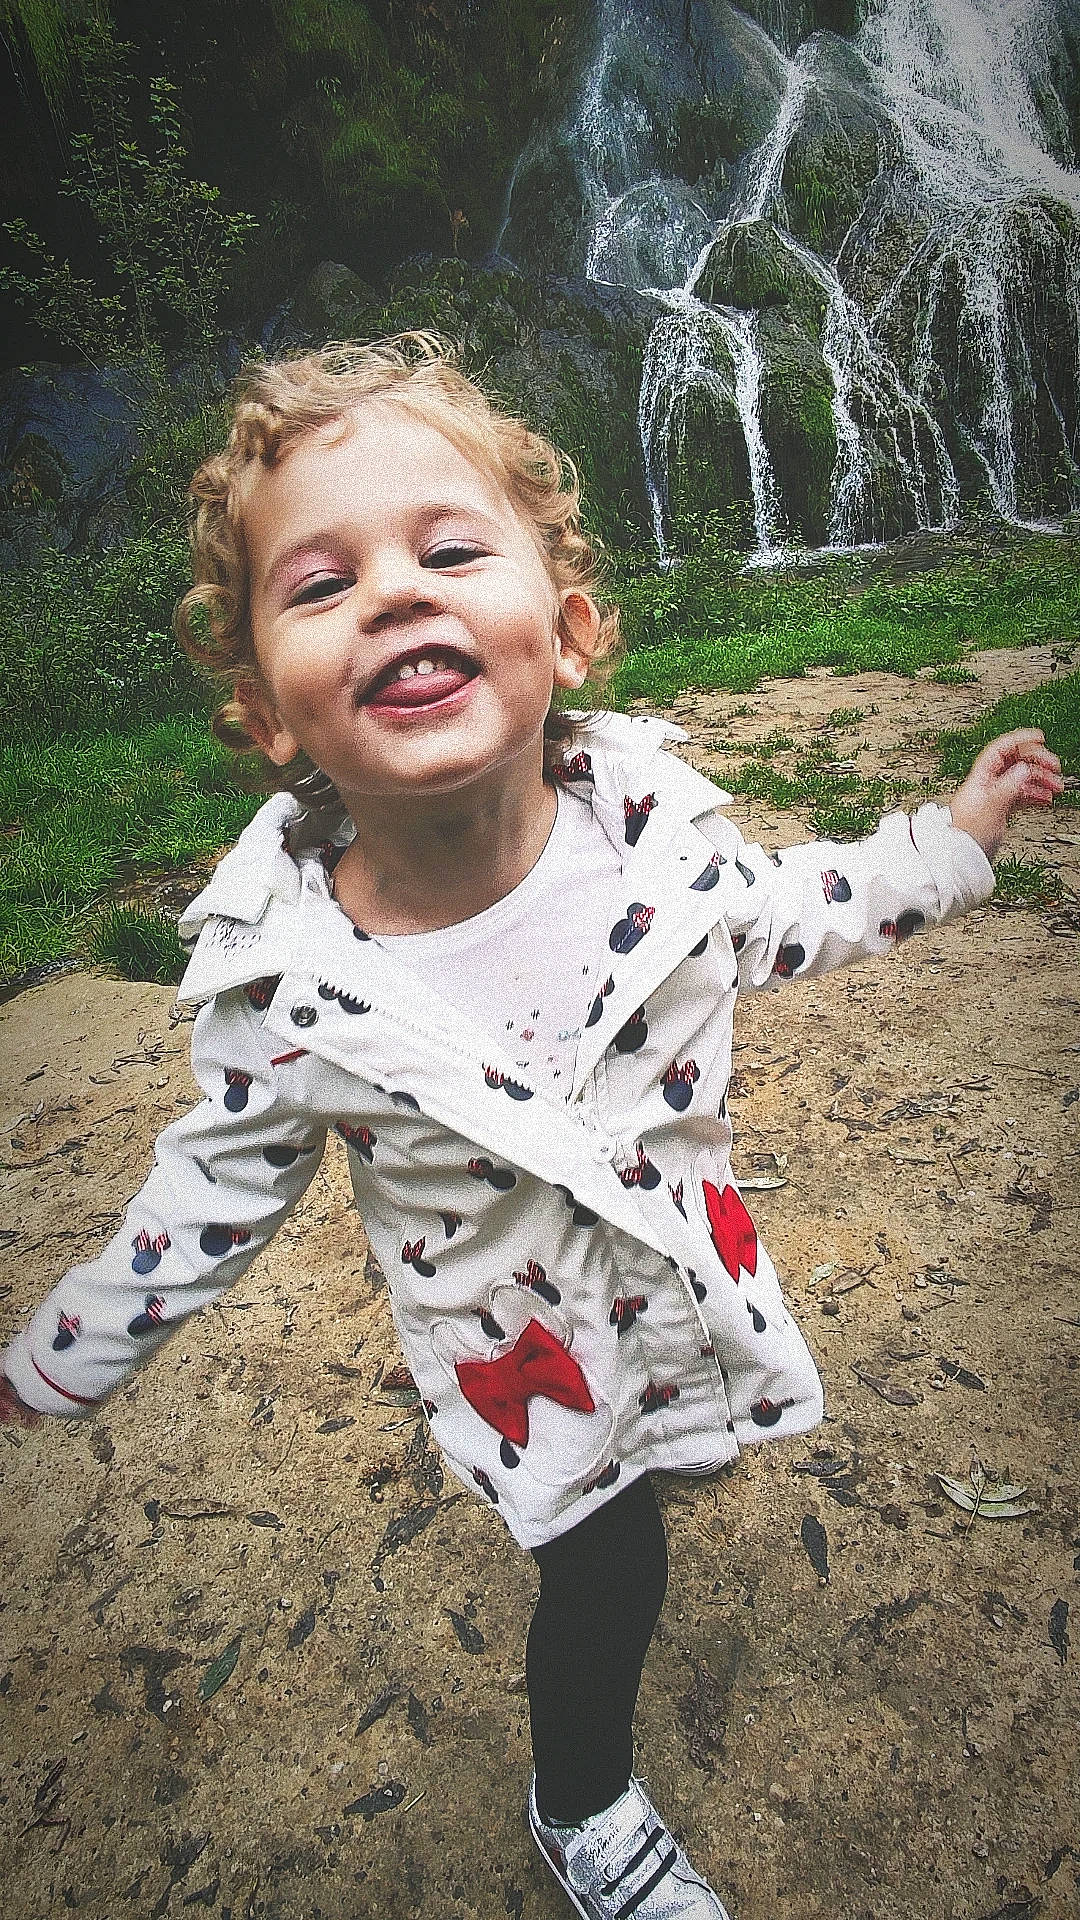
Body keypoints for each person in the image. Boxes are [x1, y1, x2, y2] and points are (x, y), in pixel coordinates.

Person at [0, 334, 1062, 1920]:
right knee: (609, 1565)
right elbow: (202, 1197)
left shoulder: (667, 854)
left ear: (563, 636)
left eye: (446, 550)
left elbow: (806, 909)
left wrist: (954, 841)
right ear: (266, 714)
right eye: (320, 583)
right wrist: (41, 1369)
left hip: (689, 1286)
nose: (395, 595)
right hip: (520, 1365)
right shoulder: (292, 993)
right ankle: (586, 1801)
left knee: (685, 1454)